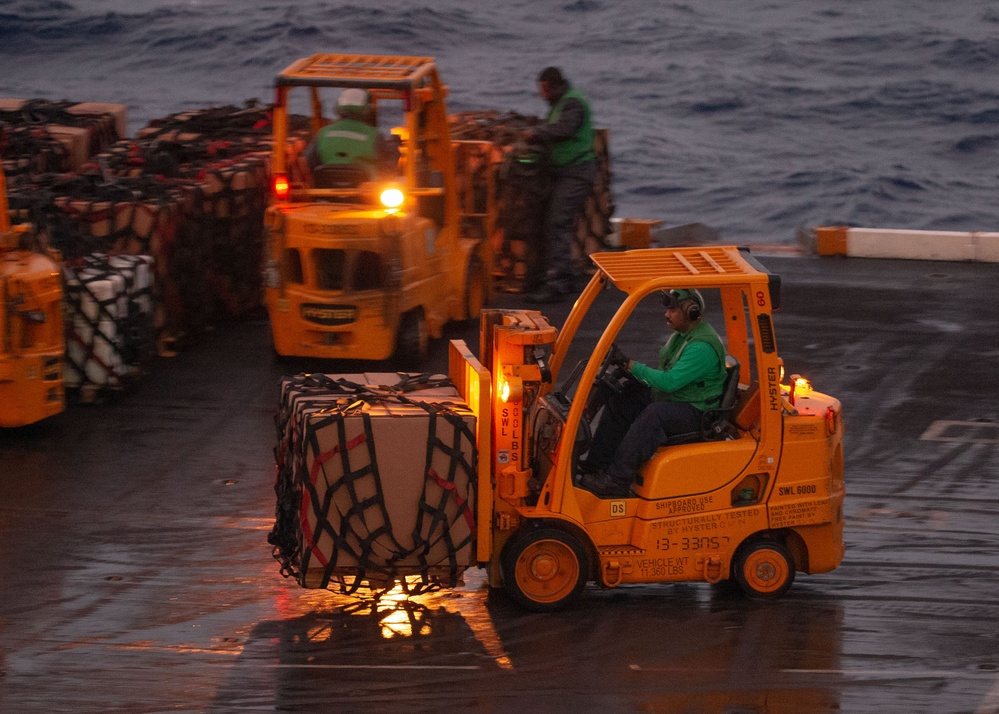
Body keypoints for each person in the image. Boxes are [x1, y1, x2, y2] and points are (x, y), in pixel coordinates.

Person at [579, 289, 728, 497]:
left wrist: (632, 366)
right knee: (624, 397)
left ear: (691, 311)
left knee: (654, 415)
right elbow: (665, 372)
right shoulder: (682, 335)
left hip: (697, 410)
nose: (667, 314)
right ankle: (597, 464)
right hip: (681, 397)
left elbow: (669, 382)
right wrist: (632, 373)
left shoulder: (701, 347)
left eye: (673, 310)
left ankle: (617, 479)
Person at [523, 67, 598, 303]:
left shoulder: (572, 103)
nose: (542, 95)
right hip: (565, 172)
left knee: (558, 223)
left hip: (577, 172)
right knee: (552, 222)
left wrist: (537, 133)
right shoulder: (560, 103)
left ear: (551, 85)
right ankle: (563, 277)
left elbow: (565, 129)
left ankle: (558, 283)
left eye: (543, 90)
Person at [306, 88, 388, 181]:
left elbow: (309, 163)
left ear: (338, 107)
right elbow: (386, 168)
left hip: (326, 190)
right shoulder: (375, 136)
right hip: (365, 191)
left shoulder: (323, 133)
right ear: (367, 108)